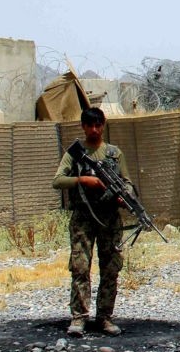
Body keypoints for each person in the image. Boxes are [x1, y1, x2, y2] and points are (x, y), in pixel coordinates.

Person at [52, 107, 135, 337]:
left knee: (111, 268)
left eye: (98, 125)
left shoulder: (114, 154)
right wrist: (82, 180)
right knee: (80, 267)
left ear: (104, 124)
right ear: (83, 126)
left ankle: (105, 317)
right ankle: (79, 318)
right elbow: (57, 181)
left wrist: (123, 196)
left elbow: (127, 183)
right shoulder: (74, 154)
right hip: (83, 219)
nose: (95, 130)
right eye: (90, 125)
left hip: (109, 218)